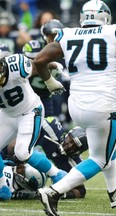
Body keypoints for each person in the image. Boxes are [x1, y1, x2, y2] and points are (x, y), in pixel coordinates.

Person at [33, 0, 116, 215]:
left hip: (76, 105)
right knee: (100, 158)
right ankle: (54, 191)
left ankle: (114, 191)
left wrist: (49, 82)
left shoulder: (68, 33)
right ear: (105, 16)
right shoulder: (113, 32)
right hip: (103, 106)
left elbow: (39, 60)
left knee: (104, 146)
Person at [0, 52, 67, 201]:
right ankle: (2, 187)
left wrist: (51, 75)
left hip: (29, 111)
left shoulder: (15, 65)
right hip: (7, 114)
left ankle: (58, 175)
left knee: (22, 152)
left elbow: (37, 64)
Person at [1, 116, 89, 199]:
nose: (69, 146)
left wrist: (57, 193)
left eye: (75, 147)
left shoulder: (73, 163)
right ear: (68, 135)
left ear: (79, 152)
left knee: (34, 174)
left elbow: (81, 190)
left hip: (29, 179)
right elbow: (33, 126)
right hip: (12, 155)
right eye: (70, 141)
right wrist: (22, 147)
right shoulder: (52, 129)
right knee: (14, 146)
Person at [23, 39, 64, 117]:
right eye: (31, 58)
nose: (34, 61)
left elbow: (34, 65)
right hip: (36, 99)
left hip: (41, 99)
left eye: (36, 58)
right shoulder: (54, 64)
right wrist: (52, 65)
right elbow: (37, 64)